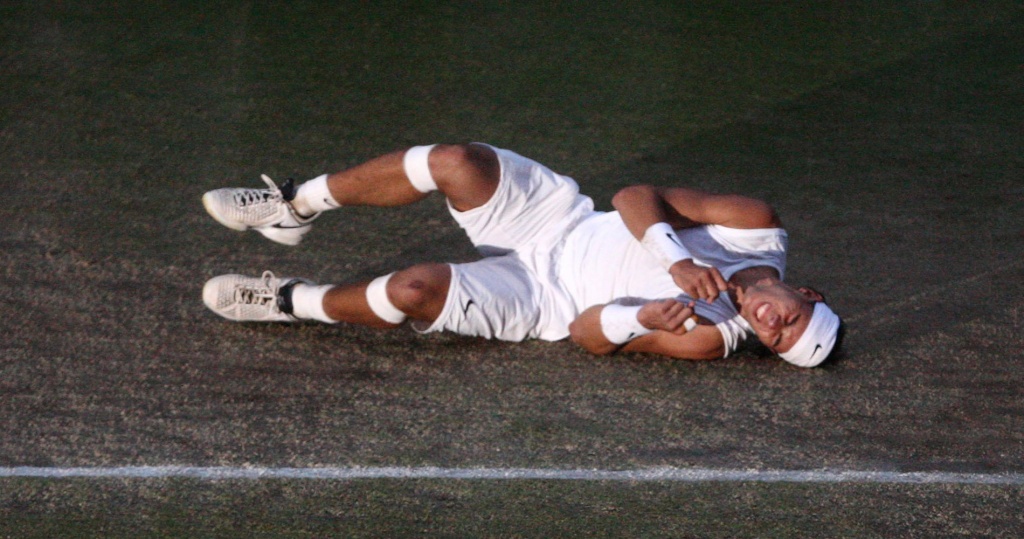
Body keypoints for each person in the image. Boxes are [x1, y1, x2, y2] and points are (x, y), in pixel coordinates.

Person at [201, 143, 842, 367]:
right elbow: (633, 195)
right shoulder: (755, 228)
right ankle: (294, 207)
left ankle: (288, 302)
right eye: (789, 320)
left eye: (774, 343)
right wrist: (673, 259)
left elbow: (587, 336)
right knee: (453, 162)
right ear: (806, 293)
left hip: (541, 298)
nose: (768, 325)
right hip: (557, 218)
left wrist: (642, 320)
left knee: (411, 292)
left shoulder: (711, 337)